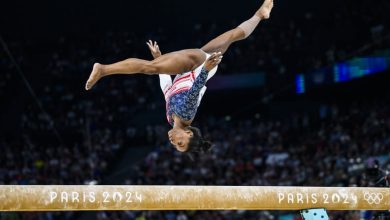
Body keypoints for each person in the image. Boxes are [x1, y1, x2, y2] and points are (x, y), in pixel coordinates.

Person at [85, 0, 274, 153]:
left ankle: (260, 14)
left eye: (176, 145)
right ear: (189, 134)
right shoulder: (187, 115)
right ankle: (103, 69)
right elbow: (195, 90)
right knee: (148, 68)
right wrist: (206, 68)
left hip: (195, 64)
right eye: (180, 143)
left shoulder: (171, 117)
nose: (174, 142)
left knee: (233, 35)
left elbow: (168, 89)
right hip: (198, 66)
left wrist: (160, 59)